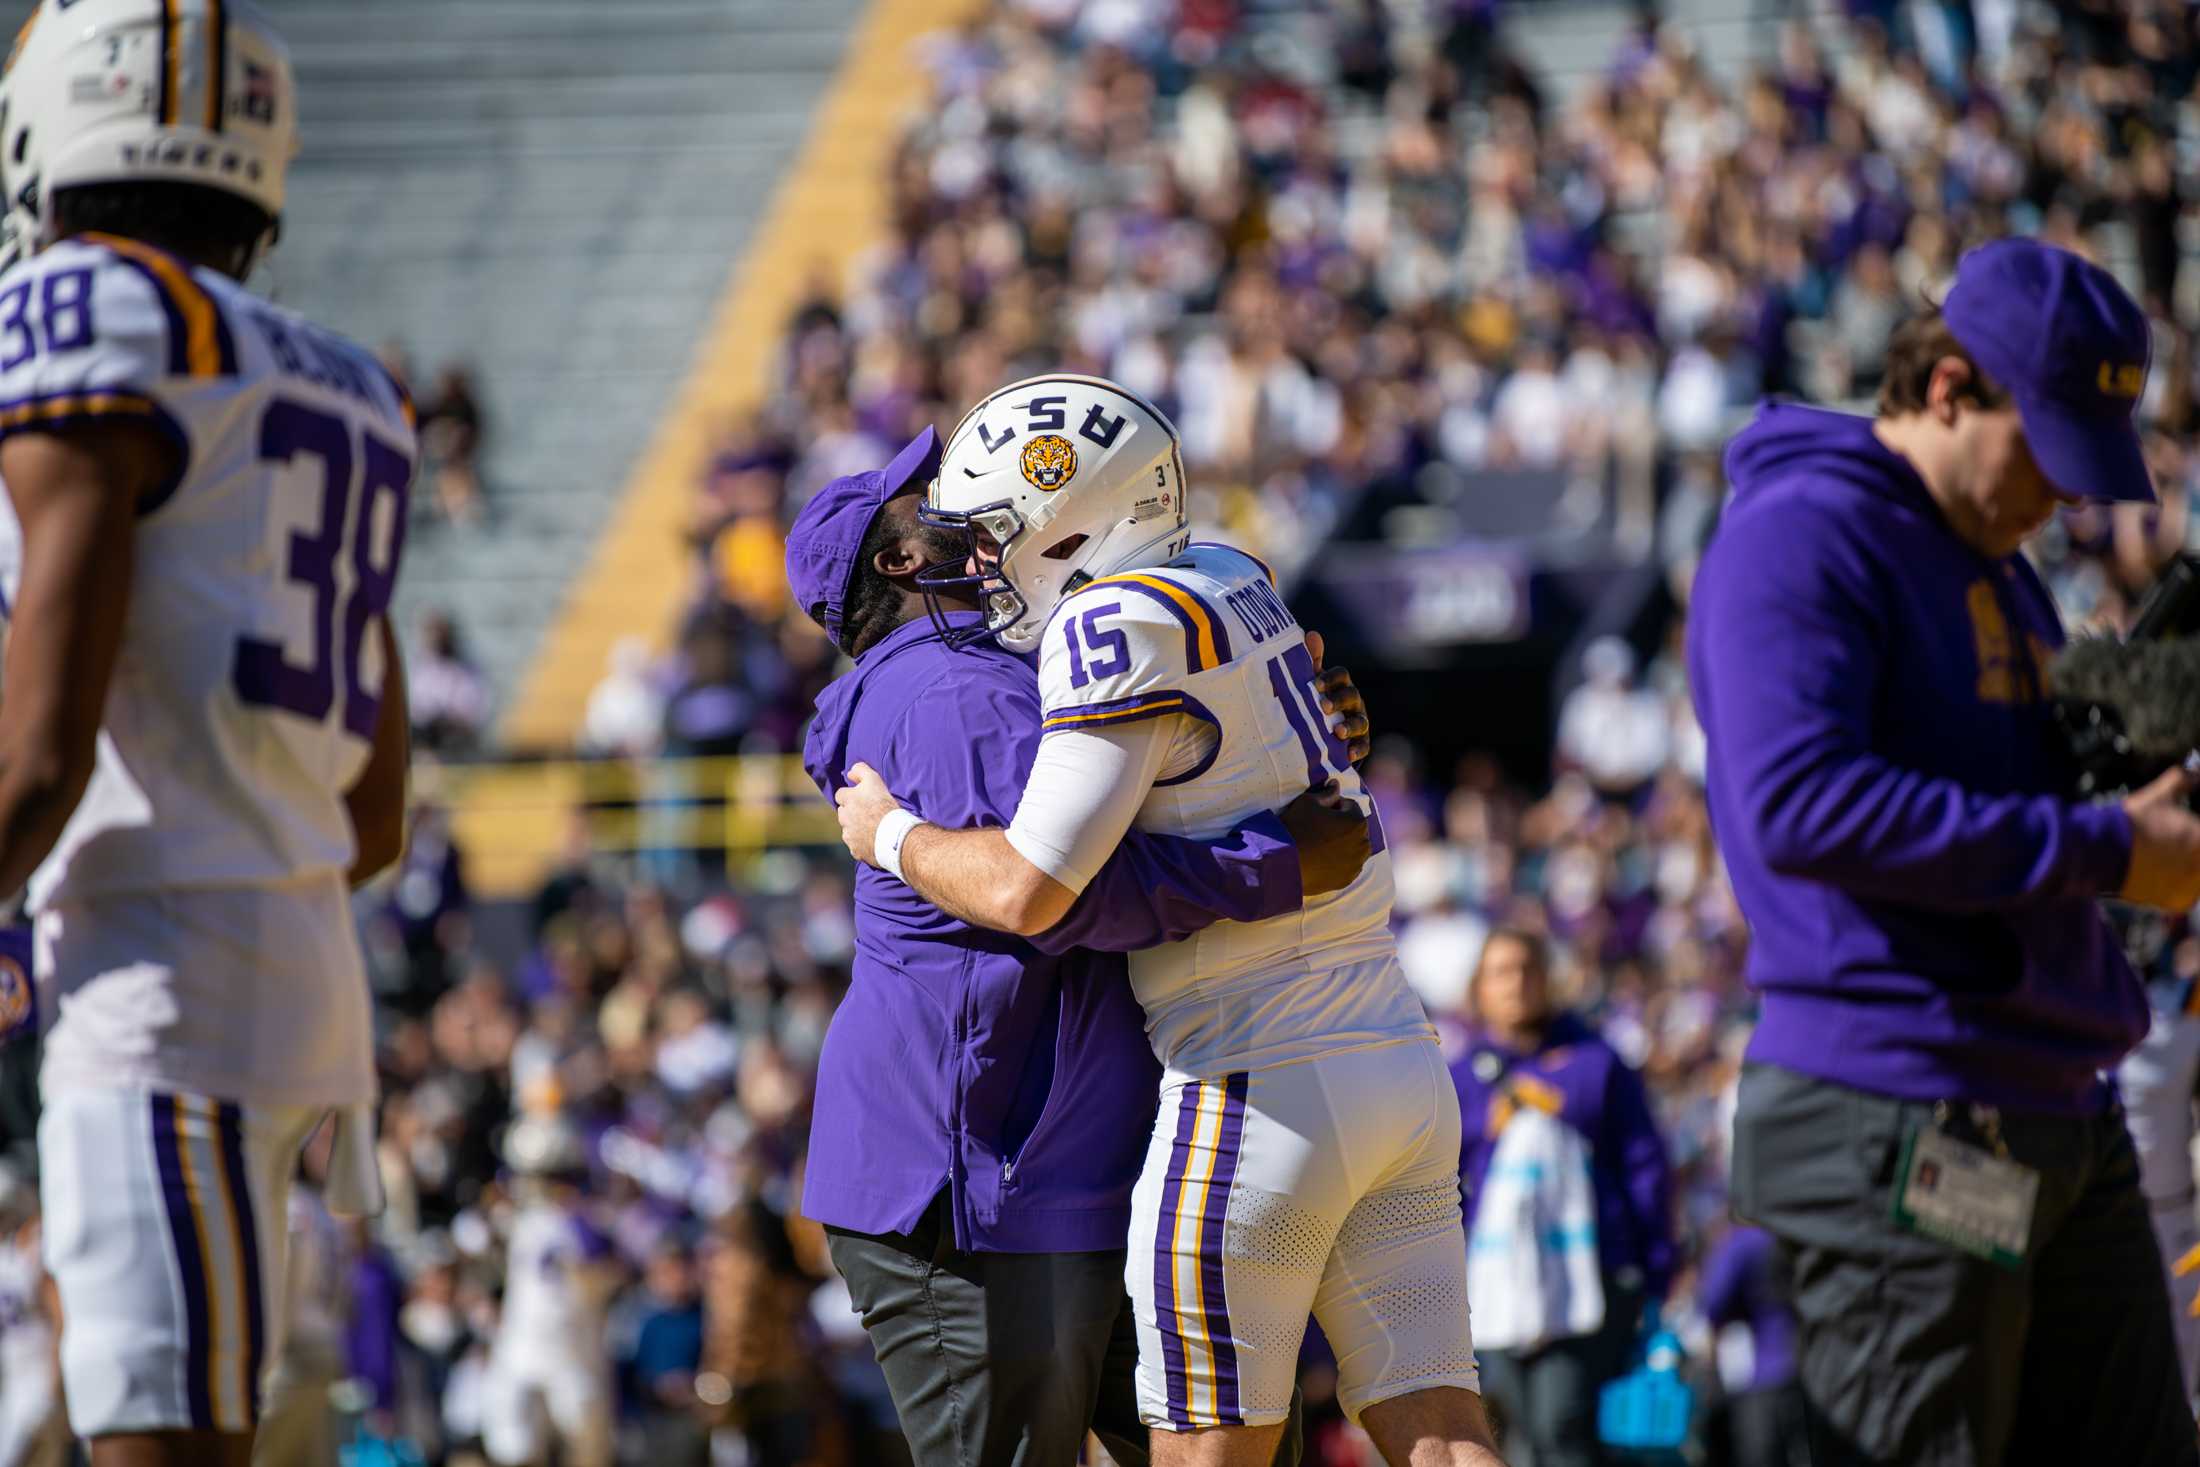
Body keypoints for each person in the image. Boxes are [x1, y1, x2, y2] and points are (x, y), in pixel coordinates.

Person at [834, 375, 1505, 1467]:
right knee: (1441, 1437)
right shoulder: (1229, 570)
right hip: (1393, 1056)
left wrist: (890, 836)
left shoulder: (1104, 623)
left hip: (1251, 1084)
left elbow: (1029, 892)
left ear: (1070, 520)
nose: (988, 560)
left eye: (1001, 532)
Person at [1687, 236, 2200, 1466]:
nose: (2066, 496)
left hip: (2050, 1099)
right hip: (1901, 1101)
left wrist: (2127, 741)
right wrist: (2100, 845)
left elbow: (2014, 783)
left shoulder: (1992, 561)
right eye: (2043, 446)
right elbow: (1800, 808)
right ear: (1945, 386)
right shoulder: (1803, 534)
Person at [0, 4, 414, 1464]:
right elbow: (377, 813)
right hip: (296, 963)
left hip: (154, 975)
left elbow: (38, 757)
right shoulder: (349, 378)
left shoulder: (89, 320)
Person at [1448, 928, 1673, 1467]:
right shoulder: (1459, 1078)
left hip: (1590, 1279)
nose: (1517, 984)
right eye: (1502, 972)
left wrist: (1654, 1268)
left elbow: (1646, 1166)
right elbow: (1444, 1181)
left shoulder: (1597, 1063)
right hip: (1498, 1286)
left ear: (1548, 979)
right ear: (1479, 989)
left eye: (1527, 969)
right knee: (1519, 1430)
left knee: (1562, 1420)